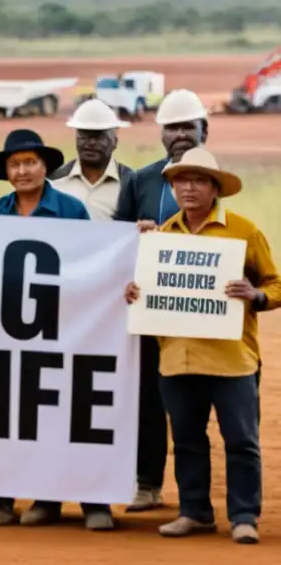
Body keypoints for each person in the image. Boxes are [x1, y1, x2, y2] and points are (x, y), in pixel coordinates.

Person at [124, 148, 280, 544]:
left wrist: (255, 295)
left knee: (241, 440)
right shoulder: (160, 238)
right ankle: (195, 512)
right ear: (172, 187)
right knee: (188, 440)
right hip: (177, 358)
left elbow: (275, 285)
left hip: (233, 359)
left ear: (215, 189)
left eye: (198, 180)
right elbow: (146, 290)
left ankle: (244, 516)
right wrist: (134, 292)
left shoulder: (243, 231)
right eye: (181, 180)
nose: (188, 187)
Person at [0, 129, 113, 531]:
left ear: (45, 167)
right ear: (6, 172)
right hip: (3, 333)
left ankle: (84, 501)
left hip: (62, 328)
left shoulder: (71, 210)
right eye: (15, 164)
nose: (23, 171)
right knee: (4, 414)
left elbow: (94, 263)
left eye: (30, 163)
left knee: (66, 412)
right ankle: (0, 497)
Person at [114, 88, 209, 512]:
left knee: (196, 405)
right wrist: (137, 231)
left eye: (188, 126)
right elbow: (116, 240)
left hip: (204, 314)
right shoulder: (142, 180)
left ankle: (196, 499)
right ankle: (147, 484)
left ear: (205, 129)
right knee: (149, 399)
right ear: (161, 135)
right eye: (172, 127)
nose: (180, 135)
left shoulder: (222, 181)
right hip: (151, 311)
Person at [50, 99, 133, 221]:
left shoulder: (131, 184)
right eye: (84, 135)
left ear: (115, 142)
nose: (91, 142)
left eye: (100, 136)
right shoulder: (55, 182)